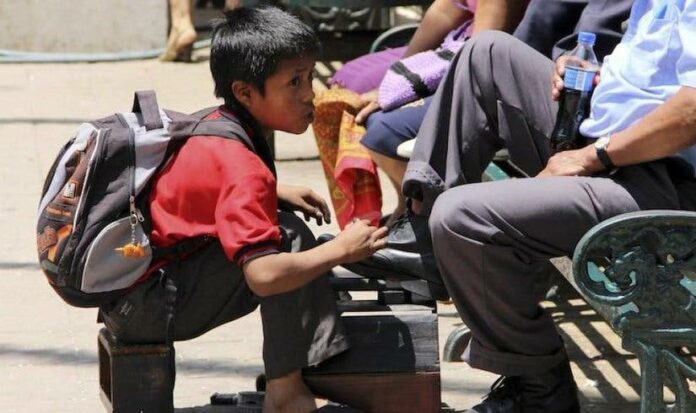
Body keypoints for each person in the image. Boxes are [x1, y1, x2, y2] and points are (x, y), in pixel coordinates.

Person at [356, 0, 696, 411]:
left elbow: (689, 114)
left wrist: (593, 158)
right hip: (612, 140)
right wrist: (589, 71)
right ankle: (423, 241)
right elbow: (652, 76)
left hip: (662, 182)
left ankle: (539, 391)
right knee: (487, 52)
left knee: (463, 218)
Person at [100, 7, 387, 413]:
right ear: (245, 92)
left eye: (310, 76)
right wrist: (341, 249)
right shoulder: (243, 166)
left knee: (284, 227)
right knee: (288, 242)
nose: (310, 94)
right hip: (148, 307)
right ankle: (287, 392)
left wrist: (275, 191)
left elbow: (200, 193)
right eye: (294, 82)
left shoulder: (216, 123)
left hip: (134, 292)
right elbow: (264, 276)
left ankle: (292, 378)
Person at [354, 0, 632, 228]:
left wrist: (594, 154)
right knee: (351, 94)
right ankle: (416, 219)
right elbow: (444, 11)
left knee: (390, 135)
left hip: (600, 126)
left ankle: (422, 225)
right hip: (567, 88)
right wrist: (401, 79)